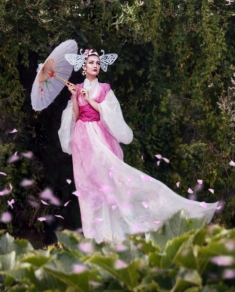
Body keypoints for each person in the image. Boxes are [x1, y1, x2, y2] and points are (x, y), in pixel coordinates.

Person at [58, 48, 218, 243]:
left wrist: (91, 100)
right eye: (91, 63)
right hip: (83, 139)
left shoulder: (105, 89)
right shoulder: (77, 88)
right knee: (88, 189)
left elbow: (111, 113)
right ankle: (94, 239)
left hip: (100, 136)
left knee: (110, 183)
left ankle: (118, 234)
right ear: (84, 66)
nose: (95, 66)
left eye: (98, 63)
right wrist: (75, 96)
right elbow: (74, 116)